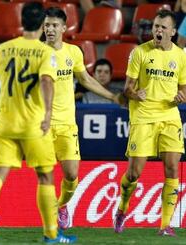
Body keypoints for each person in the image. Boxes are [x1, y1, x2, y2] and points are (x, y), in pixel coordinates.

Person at [0, 2, 76, 243]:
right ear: (42, 24)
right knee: (45, 176)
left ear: (22, 21)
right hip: (33, 124)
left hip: (6, 123)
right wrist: (48, 114)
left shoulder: (4, 49)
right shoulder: (45, 53)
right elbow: (47, 82)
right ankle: (51, 234)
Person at [43, 7, 124, 230]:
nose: (50, 29)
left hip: (67, 124)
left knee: (71, 175)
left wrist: (112, 96)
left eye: (54, 25)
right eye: (46, 25)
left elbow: (86, 80)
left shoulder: (74, 53)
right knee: (45, 174)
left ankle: (61, 206)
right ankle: (49, 220)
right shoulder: (36, 53)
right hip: (43, 125)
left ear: (63, 27)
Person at [113, 9, 186, 236]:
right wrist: (135, 94)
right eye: (156, 26)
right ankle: (122, 209)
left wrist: (181, 97)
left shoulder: (182, 57)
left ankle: (165, 225)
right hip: (143, 117)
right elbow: (127, 88)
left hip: (169, 117)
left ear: (173, 32)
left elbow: (185, 91)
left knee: (172, 168)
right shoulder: (140, 53)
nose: (157, 30)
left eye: (163, 27)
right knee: (134, 172)